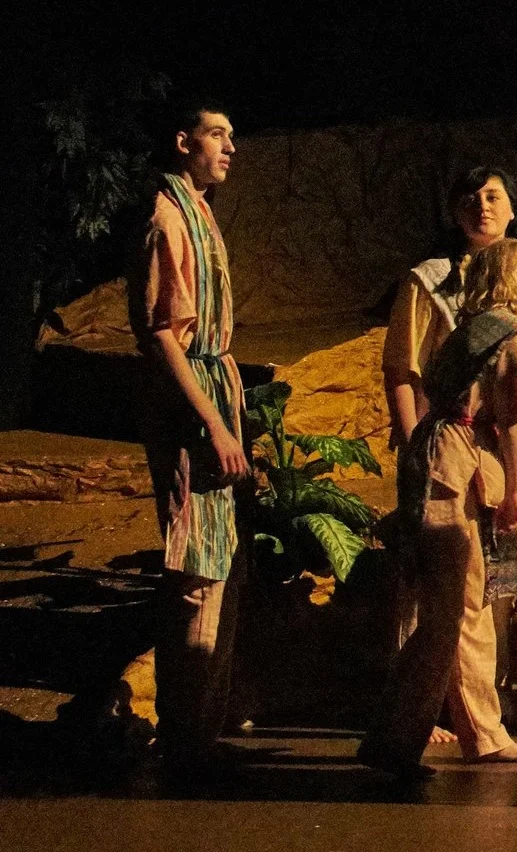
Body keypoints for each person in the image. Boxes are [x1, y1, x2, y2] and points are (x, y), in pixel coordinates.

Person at [359, 238, 517, 777]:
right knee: (450, 611)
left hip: (451, 460)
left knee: (465, 607)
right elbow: (509, 423)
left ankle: (482, 735)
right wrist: (514, 492)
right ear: (504, 280)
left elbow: (478, 425)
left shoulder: (477, 328)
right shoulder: (506, 332)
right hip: (448, 469)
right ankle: (395, 740)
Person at [125, 98, 247, 773]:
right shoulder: (166, 219)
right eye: (216, 135)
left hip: (211, 393)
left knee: (216, 561)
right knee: (196, 567)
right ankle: (186, 738)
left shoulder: (198, 211)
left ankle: (199, 729)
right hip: (189, 406)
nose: (229, 147)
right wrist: (212, 422)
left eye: (231, 136)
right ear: (182, 142)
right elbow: (163, 334)